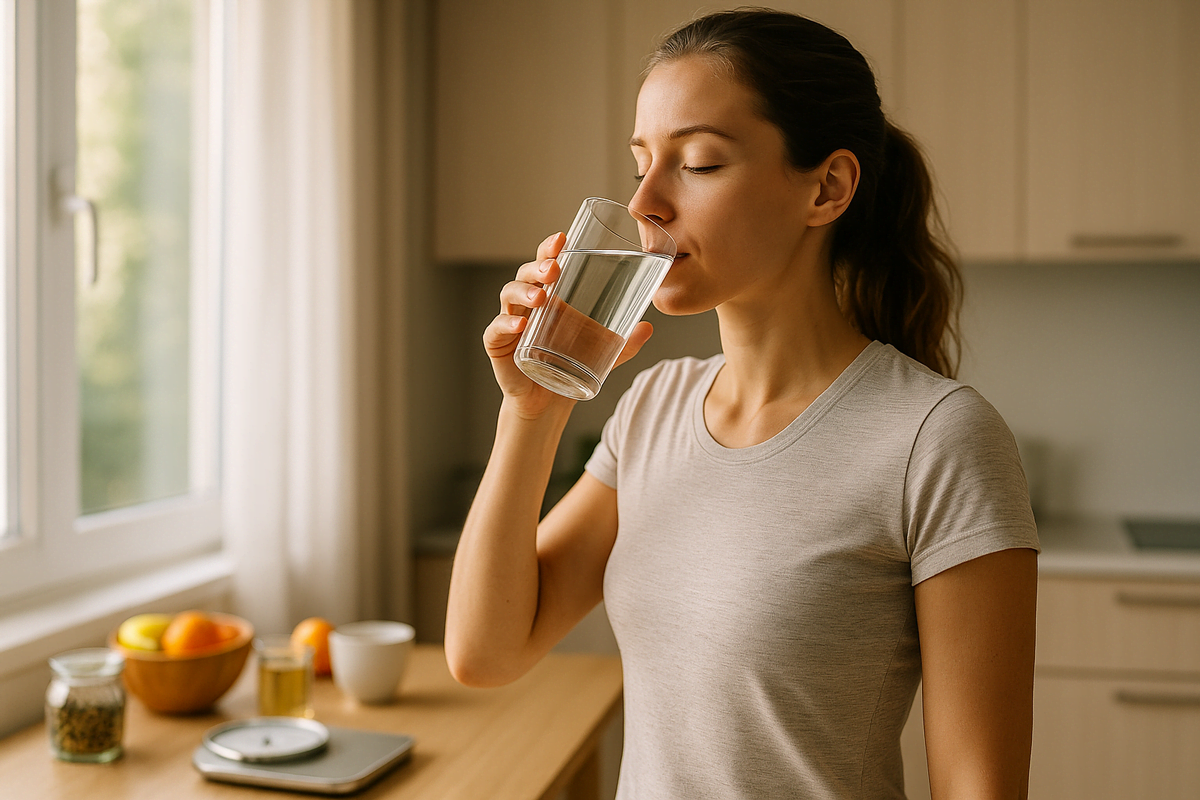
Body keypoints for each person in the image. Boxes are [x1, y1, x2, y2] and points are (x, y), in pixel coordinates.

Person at [445, 8, 1039, 799]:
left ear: (827, 188)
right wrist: (534, 409)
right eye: (640, 164)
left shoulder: (938, 438)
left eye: (698, 163)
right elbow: (485, 653)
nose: (647, 204)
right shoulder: (653, 406)